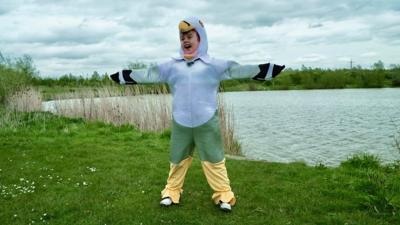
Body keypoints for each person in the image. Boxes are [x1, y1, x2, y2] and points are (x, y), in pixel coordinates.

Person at [109, 16, 285, 212]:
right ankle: (171, 192)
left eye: (189, 36)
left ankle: (223, 195)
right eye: (182, 37)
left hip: (206, 122)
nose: (185, 40)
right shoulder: (172, 66)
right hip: (181, 122)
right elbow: (149, 74)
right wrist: (125, 76)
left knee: (214, 159)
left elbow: (238, 70)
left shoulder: (214, 65)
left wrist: (267, 70)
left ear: (200, 38)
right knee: (177, 159)